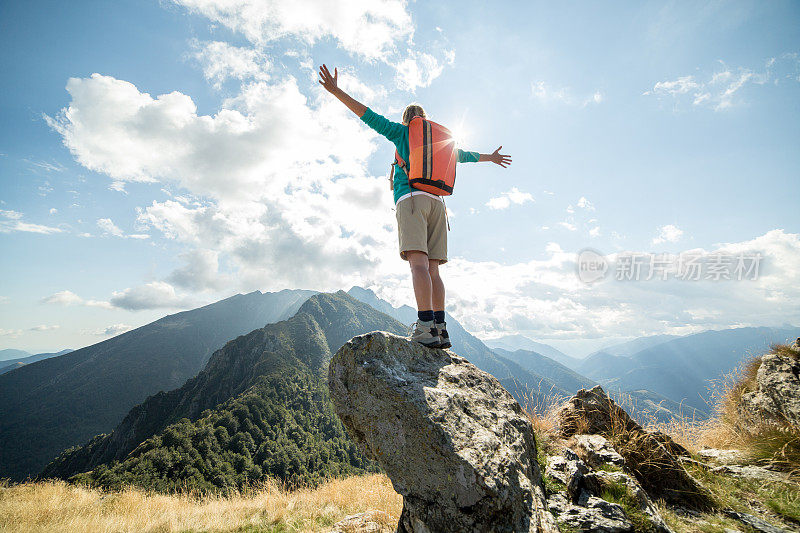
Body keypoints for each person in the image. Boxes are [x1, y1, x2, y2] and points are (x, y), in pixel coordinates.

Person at [318, 64, 511, 348]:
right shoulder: (441, 145)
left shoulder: (402, 132)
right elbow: (465, 155)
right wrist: (490, 158)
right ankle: (440, 328)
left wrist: (336, 91)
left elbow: (368, 115)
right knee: (434, 270)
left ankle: (423, 327)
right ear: (426, 121)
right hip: (438, 205)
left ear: (409, 120)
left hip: (411, 200)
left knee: (418, 265)